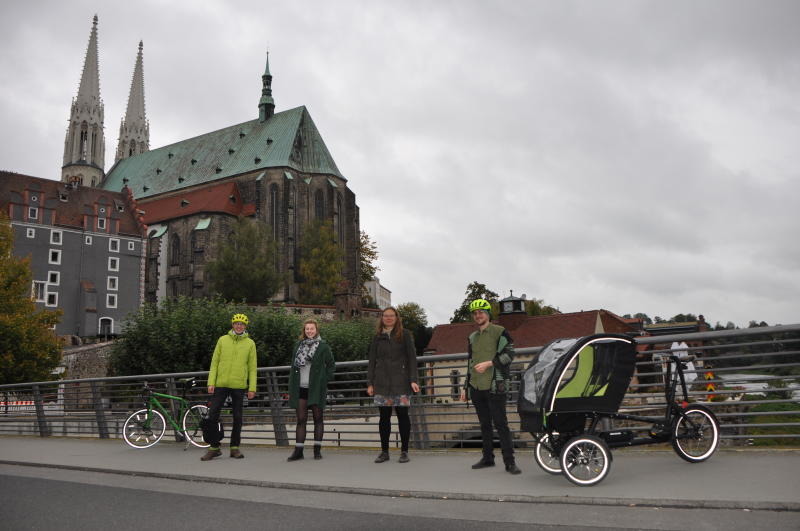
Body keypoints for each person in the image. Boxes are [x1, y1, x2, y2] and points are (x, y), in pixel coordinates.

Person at [459, 299, 521, 474]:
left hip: (495, 386)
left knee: (501, 424)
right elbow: (470, 363)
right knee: (484, 425)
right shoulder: (472, 337)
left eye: (481, 312)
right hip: (476, 387)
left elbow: (510, 354)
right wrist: (465, 387)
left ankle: (510, 462)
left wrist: (489, 363)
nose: (478, 315)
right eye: (475, 313)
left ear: (488, 314)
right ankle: (488, 458)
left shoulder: (500, 332)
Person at [201, 313, 257, 461]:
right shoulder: (222, 340)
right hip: (220, 384)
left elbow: (252, 367)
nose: (239, 326)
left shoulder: (250, 343)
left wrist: (252, 387)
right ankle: (214, 447)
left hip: (238, 385)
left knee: (237, 417)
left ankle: (234, 448)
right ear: (232, 325)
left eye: (242, 324)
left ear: (245, 326)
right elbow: (214, 363)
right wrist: (211, 382)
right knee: (213, 414)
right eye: (236, 323)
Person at [367, 306, 420, 463]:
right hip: (382, 384)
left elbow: (412, 359)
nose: (388, 318)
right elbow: (371, 361)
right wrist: (370, 383)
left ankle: (404, 451)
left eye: (391, 315)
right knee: (384, 418)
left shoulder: (405, 335)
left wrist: (413, 380)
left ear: (397, 318)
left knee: (403, 416)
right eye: (385, 316)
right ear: (382, 318)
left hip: (401, 383)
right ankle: (384, 452)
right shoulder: (377, 337)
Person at [287, 319, 335, 461]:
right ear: (304, 330)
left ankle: (317, 450)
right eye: (307, 329)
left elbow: (331, 365)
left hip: (316, 389)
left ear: (316, 330)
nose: (309, 331)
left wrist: (323, 380)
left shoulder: (323, 346)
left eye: (312, 329)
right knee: (301, 420)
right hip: (300, 388)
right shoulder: (298, 346)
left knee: (318, 419)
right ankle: (298, 451)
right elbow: (293, 367)